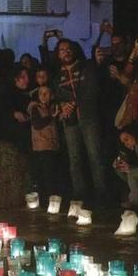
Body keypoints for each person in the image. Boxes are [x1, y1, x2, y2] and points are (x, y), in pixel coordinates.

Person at [48, 33, 108, 207]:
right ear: (57, 54)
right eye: (61, 50)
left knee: (95, 156)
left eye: (68, 49)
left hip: (89, 118)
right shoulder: (57, 76)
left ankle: (101, 194)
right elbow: (55, 98)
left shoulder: (87, 67)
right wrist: (62, 105)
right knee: (74, 158)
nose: (66, 52)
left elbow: (94, 89)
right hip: (70, 122)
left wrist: (74, 102)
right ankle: (79, 194)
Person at [26, 70, 64, 199]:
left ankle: (53, 198)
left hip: (52, 144)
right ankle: (45, 198)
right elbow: (37, 124)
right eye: (41, 93)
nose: (43, 96)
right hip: (42, 145)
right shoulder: (35, 108)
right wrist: (51, 117)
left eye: (46, 93)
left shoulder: (52, 107)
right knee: (45, 174)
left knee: (52, 173)